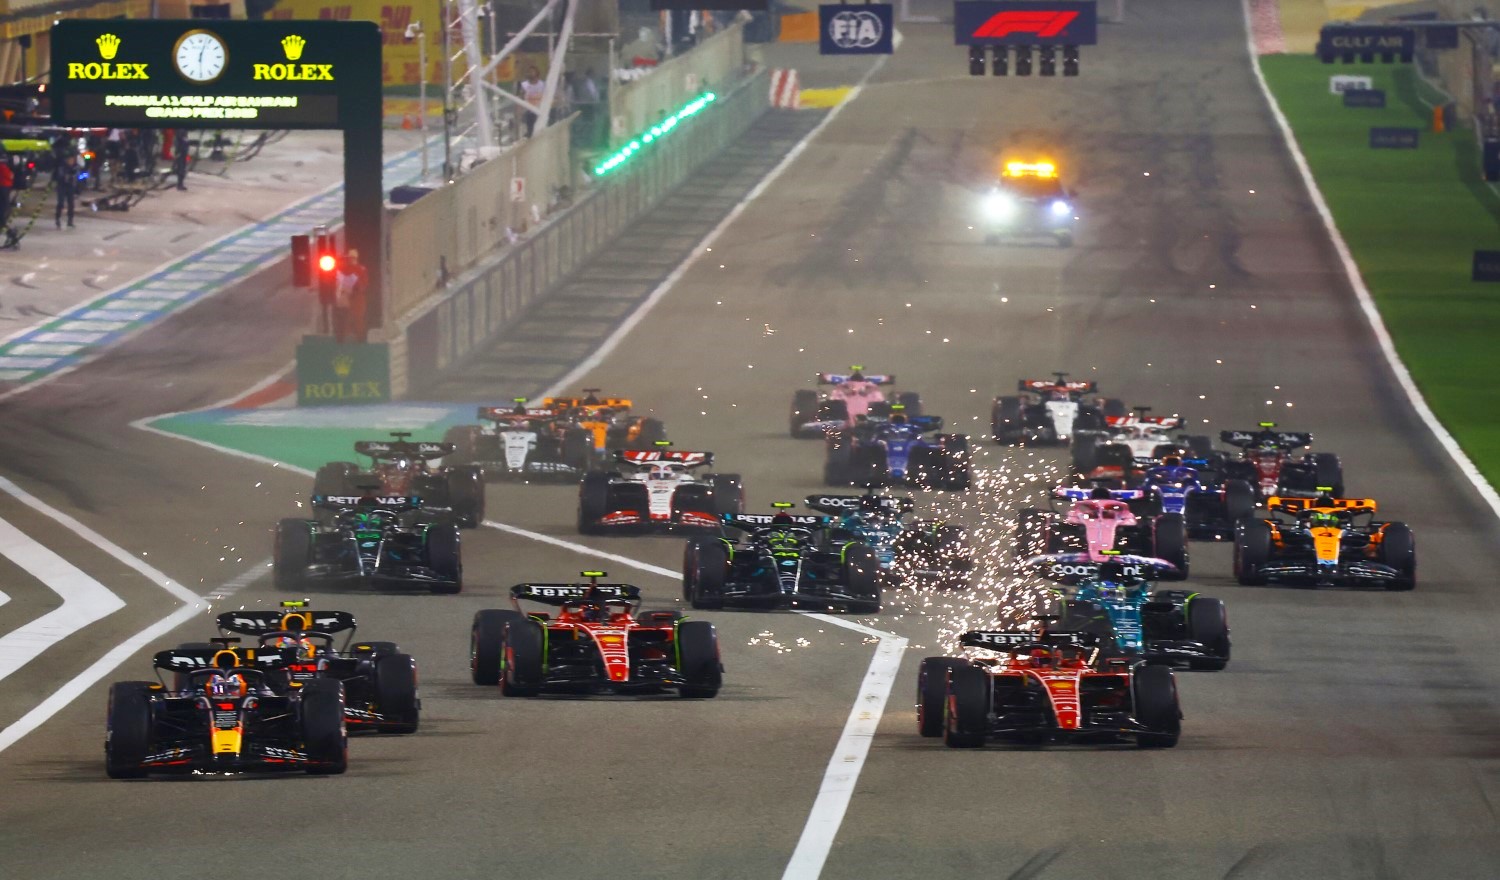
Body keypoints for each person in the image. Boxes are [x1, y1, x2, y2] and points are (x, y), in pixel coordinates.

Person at [335, 248, 370, 343]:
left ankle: (360, 339)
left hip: (358, 299)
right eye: (349, 258)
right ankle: (347, 339)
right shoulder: (344, 269)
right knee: (347, 320)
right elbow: (339, 279)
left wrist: (356, 286)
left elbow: (363, 285)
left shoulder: (361, 269)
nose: (351, 260)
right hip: (348, 299)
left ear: (356, 258)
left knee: (358, 320)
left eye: (352, 258)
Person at [53, 153, 79, 229]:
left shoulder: (76, 167)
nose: (71, 161)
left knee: (71, 203)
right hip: (62, 186)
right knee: (60, 203)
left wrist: (75, 177)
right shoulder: (62, 166)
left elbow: (78, 176)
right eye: (70, 160)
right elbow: (61, 176)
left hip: (70, 187)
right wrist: (67, 176)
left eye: (73, 160)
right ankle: (58, 218)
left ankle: (70, 220)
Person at [518, 67, 545, 137]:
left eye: (532, 71)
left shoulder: (542, 84)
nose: (530, 73)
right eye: (529, 72)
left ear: (537, 73)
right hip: (528, 110)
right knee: (530, 127)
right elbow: (521, 96)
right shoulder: (524, 85)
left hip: (540, 109)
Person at [0, 151, 13, 232]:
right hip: (5, 186)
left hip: (3, 186)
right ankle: (3, 222)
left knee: (3, 205)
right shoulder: (3, 167)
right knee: (5, 205)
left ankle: (2, 221)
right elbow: (10, 176)